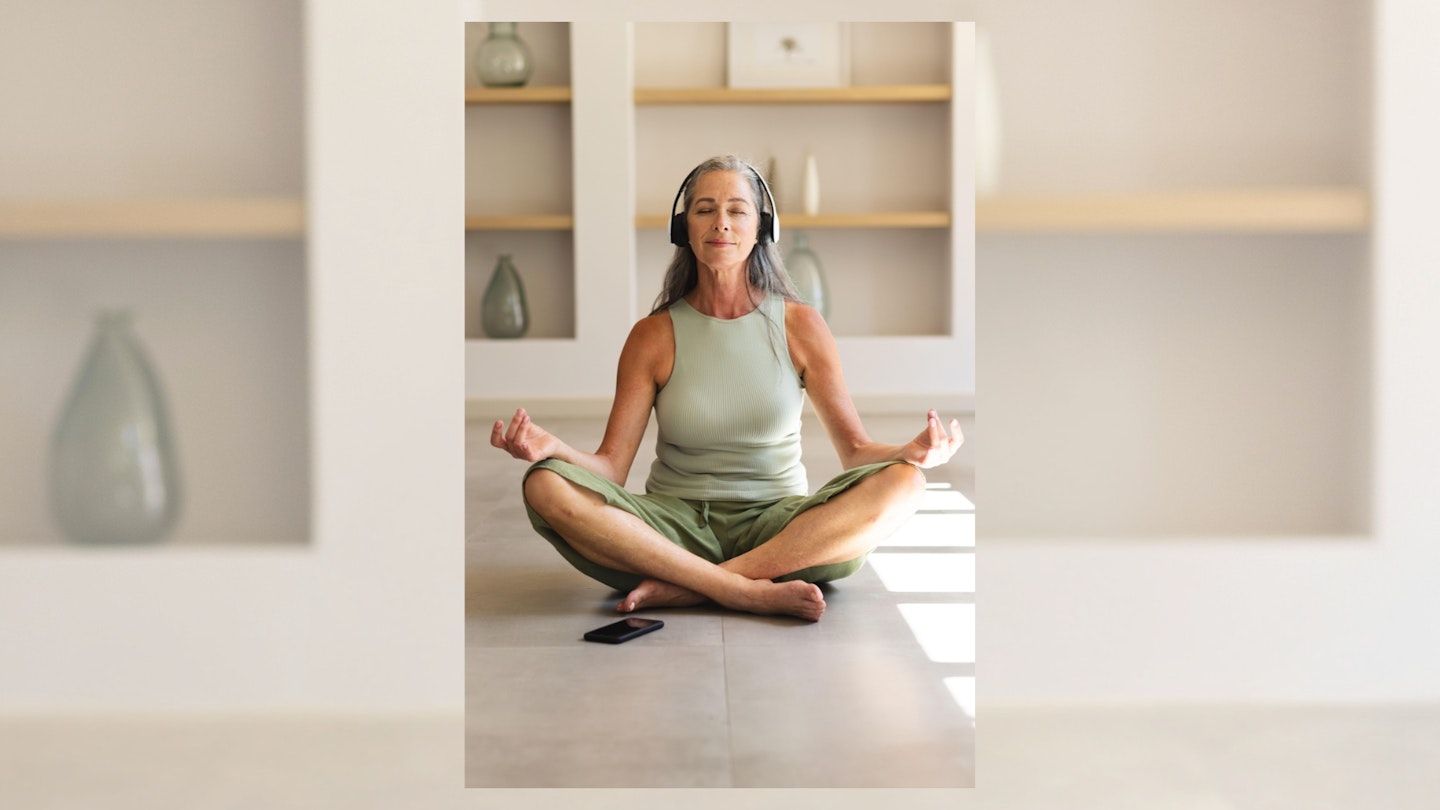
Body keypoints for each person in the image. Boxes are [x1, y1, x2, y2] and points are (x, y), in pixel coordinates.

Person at [491, 155, 963, 622]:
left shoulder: (801, 325)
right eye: (705, 209)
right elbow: (611, 469)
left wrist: (911, 451)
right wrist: (551, 447)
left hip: (780, 528)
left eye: (737, 210)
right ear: (684, 229)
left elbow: (856, 450)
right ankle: (741, 591)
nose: (721, 223)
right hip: (674, 527)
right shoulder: (652, 335)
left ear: (762, 228)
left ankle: (693, 586)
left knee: (906, 483)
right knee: (545, 484)